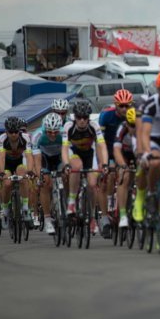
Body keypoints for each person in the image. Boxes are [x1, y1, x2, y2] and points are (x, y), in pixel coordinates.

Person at [62, 101, 109, 235]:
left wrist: (104, 164)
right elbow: (64, 148)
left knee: (93, 185)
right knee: (76, 166)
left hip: (89, 154)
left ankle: (92, 217)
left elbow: (102, 146)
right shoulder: (68, 126)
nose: (82, 120)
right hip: (74, 153)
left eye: (85, 117)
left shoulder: (94, 126)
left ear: (88, 118)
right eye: (79, 117)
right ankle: (71, 201)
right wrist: (66, 164)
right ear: (74, 117)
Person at [99, 89, 134, 232]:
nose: (124, 109)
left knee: (129, 176)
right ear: (116, 105)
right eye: (121, 106)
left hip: (126, 151)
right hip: (108, 152)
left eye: (127, 105)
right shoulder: (106, 116)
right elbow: (99, 141)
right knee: (110, 175)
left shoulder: (133, 116)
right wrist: (103, 162)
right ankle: (105, 215)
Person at [0, 117, 34, 227]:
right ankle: (5, 210)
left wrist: (30, 171)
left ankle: (26, 209)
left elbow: (29, 156)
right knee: (7, 184)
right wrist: (1, 173)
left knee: (23, 176)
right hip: (6, 163)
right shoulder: (2, 139)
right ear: (6, 132)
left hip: (19, 162)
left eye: (16, 132)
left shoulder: (25, 138)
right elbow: (1, 158)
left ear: (19, 131)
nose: (13, 134)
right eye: (10, 132)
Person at [31, 113, 65, 234]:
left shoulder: (64, 132)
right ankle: (47, 219)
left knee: (67, 175)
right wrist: (40, 174)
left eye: (55, 132)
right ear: (45, 129)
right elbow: (37, 159)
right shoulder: (38, 135)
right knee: (45, 183)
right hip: (44, 158)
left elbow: (68, 153)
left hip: (59, 157)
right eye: (49, 132)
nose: (52, 135)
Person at [113, 108, 137, 229]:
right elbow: (116, 150)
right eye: (131, 125)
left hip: (138, 154)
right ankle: (123, 215)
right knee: (125, 177)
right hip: (125, 155)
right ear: (127, 123)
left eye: (136, 125)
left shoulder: (144, 127)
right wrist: (123, 166)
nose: (134, 128)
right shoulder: (122, 129)